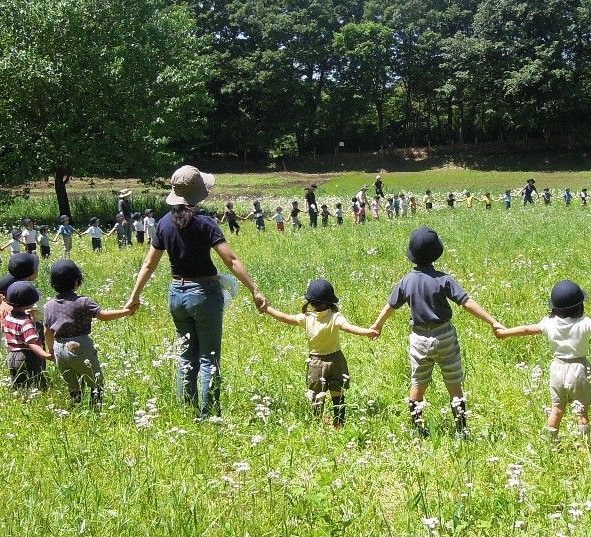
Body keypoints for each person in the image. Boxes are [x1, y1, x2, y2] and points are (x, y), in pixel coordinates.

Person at [126, 165, 267, 418]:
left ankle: (187, 412)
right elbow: (231, 260)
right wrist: (254, 289)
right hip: (204, 294)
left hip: (176, 295)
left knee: (185, 357)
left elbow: (149, 264)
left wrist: (134, 297)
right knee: (208, 358)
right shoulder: (205, 223)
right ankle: (210, 413)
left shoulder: (163, 224)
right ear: (199, 194)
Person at [369, 227, 504, 438]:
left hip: (419, 339)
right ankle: (461, 429)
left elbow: (390, 307)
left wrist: (377, 326)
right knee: (454, 383)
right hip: (444, 337)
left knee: (418, 383)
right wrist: (492, 321)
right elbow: (466, 303)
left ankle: (417, 428)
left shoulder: (406, 281)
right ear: (436, 253)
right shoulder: (444, 279)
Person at [494, 280, 591, 441]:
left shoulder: (548, 323)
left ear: (554, 307)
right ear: (580, 306)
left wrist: (505, 333)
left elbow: (526, 329)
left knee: (557, 409)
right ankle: (584, 445)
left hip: (557, 369)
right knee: (581, 411)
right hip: (579, 369)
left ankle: (550, 442)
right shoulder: (584, 324)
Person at [260, 278, 377, 427]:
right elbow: (350, 328)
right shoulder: (335, 317)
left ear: (310, 302)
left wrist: (267, 309)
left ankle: (317, 423)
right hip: (336, 359)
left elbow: (284, 318)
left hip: (315, 362)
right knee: (337, 392)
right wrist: (367, 332)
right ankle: (339, 423)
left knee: (316, 395)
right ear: (330, 302)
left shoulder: (306, 318)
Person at [44, 260, 134, 409]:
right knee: (95, 381)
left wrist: (51, 350)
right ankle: (95, 411)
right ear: (77, 281)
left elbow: (47, 331)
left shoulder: (49, 306)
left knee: (72, 385)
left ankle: (76, 409)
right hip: (81, 345)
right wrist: (126, 311)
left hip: (59, 347)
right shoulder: (83, 301)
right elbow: (103, 315)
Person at [3, 281, 52, 391]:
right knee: (36, 383)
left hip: (12, 355)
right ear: (31, 302)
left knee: (18, 384)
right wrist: (46, 355)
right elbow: (31, 343)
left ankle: (20, 401)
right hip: (27, 356)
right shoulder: (25, 322)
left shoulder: (8, 318)